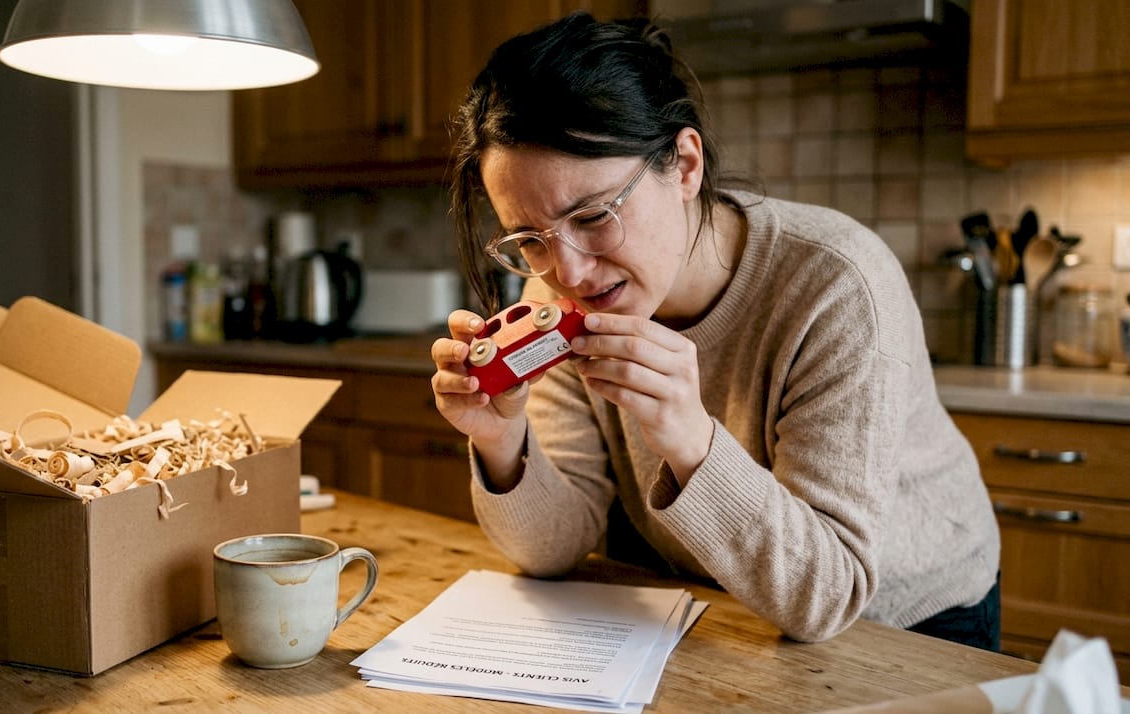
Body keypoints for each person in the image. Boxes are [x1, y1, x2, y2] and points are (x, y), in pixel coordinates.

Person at [429, 11, 1001, 650]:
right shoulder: (559, 292)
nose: (567, 271)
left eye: (592, 216)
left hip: (907, 617)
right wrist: (503, 436)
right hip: (717, 605)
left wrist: (693, 440)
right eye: (531, 239)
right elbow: (555, 549)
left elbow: (828, 593)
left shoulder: (838, 287)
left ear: (685, 164)